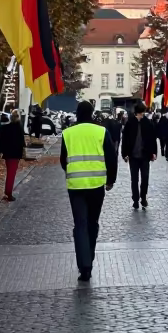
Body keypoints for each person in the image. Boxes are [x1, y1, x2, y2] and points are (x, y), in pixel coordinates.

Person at [60, 100, 118, 281]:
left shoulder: (68, 133)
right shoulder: (101, 131)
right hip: (96, 184)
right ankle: (89, 257)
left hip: (76, 186)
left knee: (80, 224)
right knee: (92, 223)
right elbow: (111, 157)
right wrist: (111, 180)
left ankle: (84, 264)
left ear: (77, 113)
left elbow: (63, 160)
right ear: (92, 113)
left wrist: (73, 170)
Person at [121, 100, 158, 209]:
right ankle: (136, 199)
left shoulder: (147, 123)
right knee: (134, 179)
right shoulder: (130, 123)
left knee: (145, 178)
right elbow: (125, 140)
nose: (143, 114)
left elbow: (152, 139)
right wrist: (125, 154)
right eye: (142, 112)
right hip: (133, 156)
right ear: (138, 112)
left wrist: (154, 153)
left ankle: (143, 197)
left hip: (145, 155)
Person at [0, 108, 26, 202]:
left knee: (10, 173)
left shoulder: (6, 127)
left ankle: (7, 191)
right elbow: (22, 141)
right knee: (11, 174)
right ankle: (8, 193)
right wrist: (23, 151)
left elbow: (1, 139)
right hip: (15, 154)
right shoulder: (19, 127)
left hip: (8, 153)